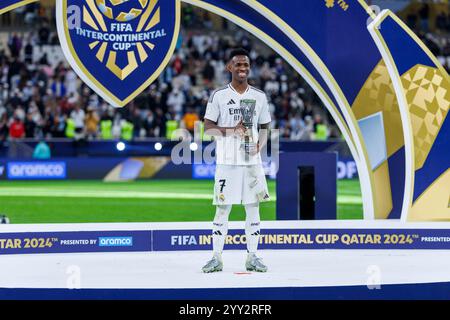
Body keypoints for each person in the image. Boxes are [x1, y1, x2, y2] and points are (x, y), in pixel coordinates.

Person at [202, 48, 271, 273]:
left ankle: (252, 256)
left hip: (252, 164)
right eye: (238, 65)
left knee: (253, 209)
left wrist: (259, 144)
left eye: (246, 65)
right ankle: (216, 258)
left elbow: (265, 126)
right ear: (229, 67)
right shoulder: (219, 95)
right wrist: (233, 130)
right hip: (227, 161)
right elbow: (208, 129)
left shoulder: (259, 96)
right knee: (222, 208)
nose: (242, 69)